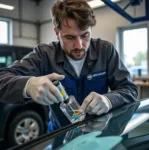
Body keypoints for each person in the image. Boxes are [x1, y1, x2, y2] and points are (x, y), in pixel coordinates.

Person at [0, 0, 137, 133]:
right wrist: (28, 85)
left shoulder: (105, 51)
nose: (79, 46)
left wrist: (108, 100)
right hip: (60, 136)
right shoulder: (44, 55)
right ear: (57, 33)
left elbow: (129, 89)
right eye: (70, 38)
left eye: (85, 35)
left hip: (99, 134)